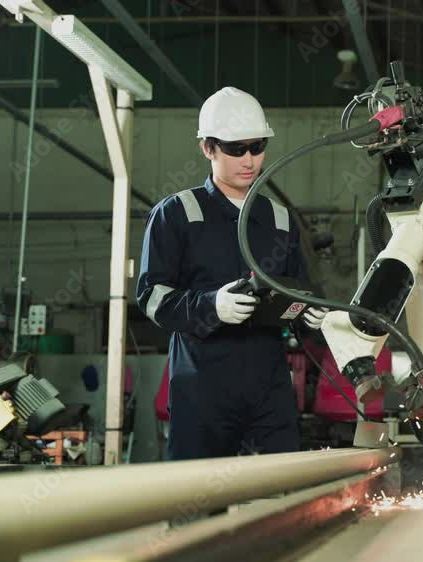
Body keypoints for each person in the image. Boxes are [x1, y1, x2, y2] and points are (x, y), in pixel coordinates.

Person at [136, 87, 328, 460]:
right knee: (198, 489)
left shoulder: (280, 219)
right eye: (236, 149)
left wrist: (310, 315)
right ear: (208, 148)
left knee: (279, 484)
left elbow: (298, 291)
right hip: (202, 387)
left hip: (268, 388)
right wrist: (211, 305)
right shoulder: (177, 214)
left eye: (257, 147)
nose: (249, 160)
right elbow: (152, 296)